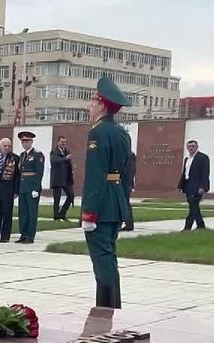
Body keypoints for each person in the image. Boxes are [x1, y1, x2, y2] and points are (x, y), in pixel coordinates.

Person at [81, 77, 132, 309]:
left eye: (92, 100)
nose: (89, 105)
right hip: (115, 202)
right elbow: (124, 174)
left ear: (102, 105)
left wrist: (89, 213)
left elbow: (95, 175)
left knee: (102, 261)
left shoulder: (98, 133)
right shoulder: (122, 133)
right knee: (110, 258)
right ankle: (113, 307)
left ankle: (105, 310)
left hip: (100, 206)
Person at [16, 131, 44, 244]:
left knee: (31, 213)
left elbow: (39, 173)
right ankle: (23, 234)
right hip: (23, 188)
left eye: (27, 141)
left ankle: (30, 236)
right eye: (23, 141)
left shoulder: (38, 154)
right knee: (23, 213)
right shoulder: (22, 155)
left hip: (32, 187)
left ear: (31, 141)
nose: (25, 143)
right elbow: (20, 173)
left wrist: (36, 188)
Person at [178, 140, 210, 231]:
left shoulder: (203, 158)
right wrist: (180, 185)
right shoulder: (187, 159)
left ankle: (188, 227)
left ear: (197, 147)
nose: (191, 148)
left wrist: (203, 186)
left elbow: (205, 173)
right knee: (193, 206)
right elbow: (185, 173)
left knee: (193, 205)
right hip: (188, 185)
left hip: (197, 186)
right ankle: (200, 226)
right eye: (189, 146)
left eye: (193, 146)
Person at [50, 135, 75, 221]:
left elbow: (68, 163)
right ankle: (56, 217)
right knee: (57, 199)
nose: (64, 144)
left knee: (71, 196)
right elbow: (55, 161)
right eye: (62, 142)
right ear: (58, 142)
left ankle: (62, 214)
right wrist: (65, 158)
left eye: (65, 142)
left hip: (66, 178)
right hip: (57, 178)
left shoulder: (66, 151)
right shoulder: (54, 152)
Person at [121, 151, 136, 232]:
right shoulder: (129, 154)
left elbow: (130, 171)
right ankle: (127, 223)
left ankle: (128, 224)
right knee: (124, 203)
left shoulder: (128, 154)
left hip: (124, 183)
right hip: (125, 182)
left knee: (125, 203)